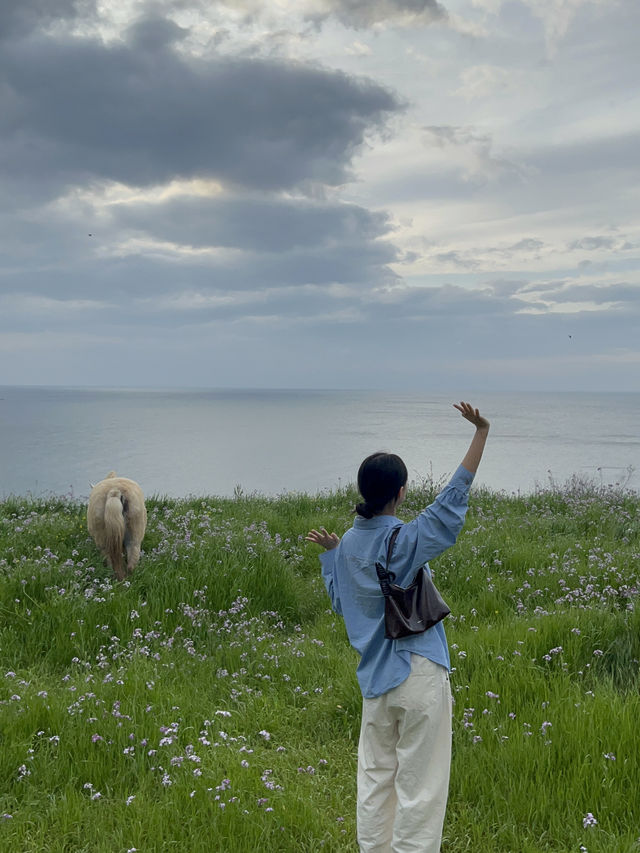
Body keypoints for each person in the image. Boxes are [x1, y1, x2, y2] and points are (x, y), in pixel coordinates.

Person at [306, 402, 490, 853]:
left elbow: (341, 604)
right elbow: (450, 504)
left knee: (374, 781)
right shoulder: (403, 541)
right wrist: (481, 432)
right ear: (401, 493)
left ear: (363, 491)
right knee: (420, 787)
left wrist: (332, 558)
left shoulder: (348, 546)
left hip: (374, 683)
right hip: (419, 671)